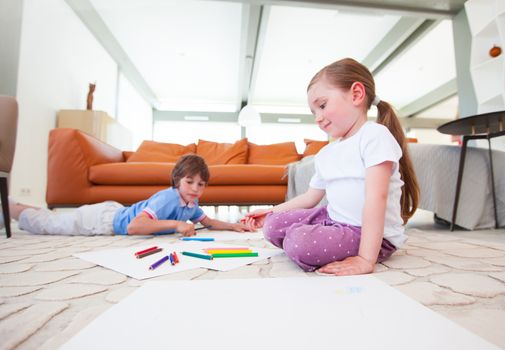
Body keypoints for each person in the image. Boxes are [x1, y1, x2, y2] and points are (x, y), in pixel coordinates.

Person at [242, 58, 419, 276]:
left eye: (322, 105)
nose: (318, 118)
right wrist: (270, 211)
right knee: (272, 225)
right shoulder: (326, 153)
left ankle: (306, 240)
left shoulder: (374, 136)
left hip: (369, 233)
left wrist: (365, 259)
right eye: (313, 112)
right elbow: (309, 198)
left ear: (356, 94)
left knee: (300, 242)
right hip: (334, 220)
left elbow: (377, 198)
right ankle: (303, 237)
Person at [4, 154, 253, 236]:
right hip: (103, 220)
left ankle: (13, 205)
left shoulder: (191, 204)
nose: (195, 189)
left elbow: (208, 222)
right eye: (190, 182)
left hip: (113, 211)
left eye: (201, 184)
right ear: (177, 181)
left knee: (52, 219)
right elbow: (135, 226)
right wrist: (177, 224)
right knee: (47, 225)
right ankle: (9, 207)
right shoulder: (168, 197)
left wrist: (234, 226)